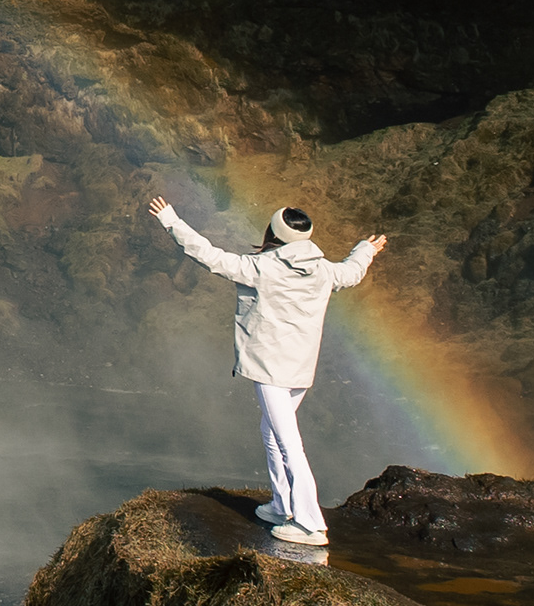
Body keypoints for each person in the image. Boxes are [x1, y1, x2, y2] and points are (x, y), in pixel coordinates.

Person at [143, 194, 387, 548]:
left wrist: (171, 221)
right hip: (301, 369)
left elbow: (209, 255)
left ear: (272, 234)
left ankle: (309, 525)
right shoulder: (323, 270)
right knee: (272, 431)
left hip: (272, 370)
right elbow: (351, 272)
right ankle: (281, 505)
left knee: (289, 442)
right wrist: (366, 249)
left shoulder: (262, 268)